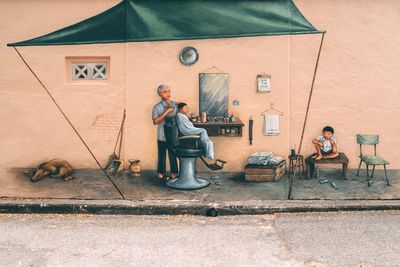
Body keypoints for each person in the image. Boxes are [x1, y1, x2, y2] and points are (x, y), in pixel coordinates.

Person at [152, 84, 178, 181]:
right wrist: (166, 112)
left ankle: (174, 173)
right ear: (160, 94)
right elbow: (155, 122)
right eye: (165, 92)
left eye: (169, 91)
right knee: (161, 154)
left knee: (173, 153)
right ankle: (161, 173)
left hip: (172, 134)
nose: (168, 93)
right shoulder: (157, 107)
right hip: (162, 135)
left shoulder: (174, 104)